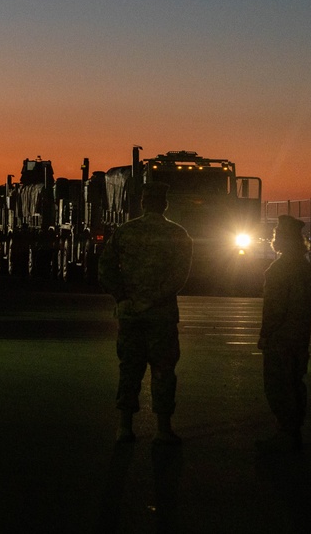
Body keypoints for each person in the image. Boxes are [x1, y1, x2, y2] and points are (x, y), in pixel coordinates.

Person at [98, 182, 192, 445]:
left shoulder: (125, 232)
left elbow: (105, 269)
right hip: (161, 315)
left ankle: (125, 428)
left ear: (142, 203)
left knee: (129, 369)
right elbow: (179, 277)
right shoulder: (178, 234)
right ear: (165, 204)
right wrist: (153, 299)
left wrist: (124, 298)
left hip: (130, 316)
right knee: (163, 371)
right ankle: (162, 430)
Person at [257, 214, 311, 453]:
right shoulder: (304, 267)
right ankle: (293, 431)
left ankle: (285, 433)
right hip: (299, 335)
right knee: (294, 383)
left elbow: (274, 308)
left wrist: (265, 334)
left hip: (281, 337)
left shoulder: (280, 269)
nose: (275, 238)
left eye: (278, 235)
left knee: (278, 386)